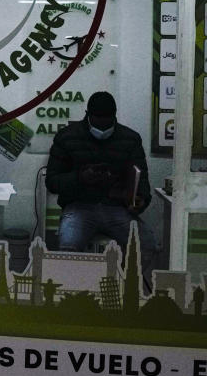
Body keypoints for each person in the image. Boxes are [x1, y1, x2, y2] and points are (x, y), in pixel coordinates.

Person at [45, 91, 157, 266]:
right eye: (99, 122)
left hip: (117, 208)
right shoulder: (67, 137)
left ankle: (125, 285)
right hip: (79, 206)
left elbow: (141, 181)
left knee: (147, 244)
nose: (103, 129)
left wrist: (140, 200)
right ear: (88, 115)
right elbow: (52, 182)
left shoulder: (130, 139)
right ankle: (78, 290)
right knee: (67, 249)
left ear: (114, 116)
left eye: (107, 123)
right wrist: (80, 178)